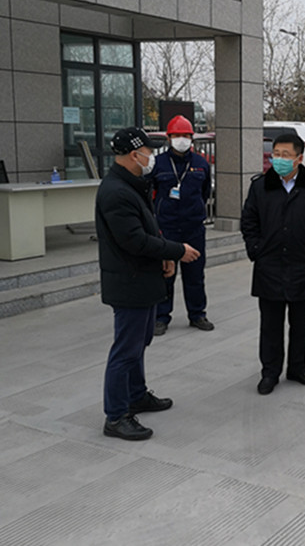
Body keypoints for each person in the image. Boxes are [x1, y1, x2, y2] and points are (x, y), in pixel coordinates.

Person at [96, 127, 201, 441]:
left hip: (142, 278)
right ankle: (116, 416)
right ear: (134, 155)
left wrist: (164, 255)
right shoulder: (116, 192)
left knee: (138, 344)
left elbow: (149, 228)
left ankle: (136, 394)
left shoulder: (132, 184)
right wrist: (176, 250)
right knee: (125, 350)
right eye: (148, 152)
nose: (152, 157)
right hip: (129, 282)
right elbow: (134, 240)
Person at [240, 133, 305, 395]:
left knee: (300, 322)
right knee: (270, 324)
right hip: (269, 265)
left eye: (286, 155)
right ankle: (270, 372)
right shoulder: (261, 186)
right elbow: (249, 221)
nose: (279, 159)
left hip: (303, 264)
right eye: (276, 154)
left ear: (299, 158)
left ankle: (297, 367)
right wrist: (256, 250)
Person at [151, 115, 214, 336]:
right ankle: (161, 317)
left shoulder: (200, 163)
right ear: (169, 138)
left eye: (186, 135)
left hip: (193, 228)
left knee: (195, 275)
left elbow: (205, 192)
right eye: (177, 135)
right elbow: (151, 194)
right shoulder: (158, 164)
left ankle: (197, 314)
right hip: (166, 228)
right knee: (165, 274)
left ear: (192, 138)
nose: (182, 139)